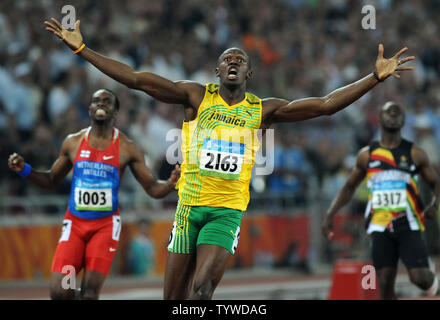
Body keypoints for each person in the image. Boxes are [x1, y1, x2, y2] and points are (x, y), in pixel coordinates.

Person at [44, 18, 414, 300]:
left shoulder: (263, 110)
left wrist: (373, 78)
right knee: (174, 300)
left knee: (202, 291)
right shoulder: (195, 97)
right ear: (218, 72)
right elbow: (137, 79)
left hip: (227, 212)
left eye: (240, 59)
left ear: (249, 73)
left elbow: (325, 105)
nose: (233, 61)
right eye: (226, 59)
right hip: (189, 208)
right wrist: (83, 50)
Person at [8, 89, 180, 300]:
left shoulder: (127, 148)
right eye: (96, 100)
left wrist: (171, 182)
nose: (101, 104)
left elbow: (152, 188)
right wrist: (25, 169)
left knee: (89, 293)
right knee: (61, 292)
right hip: (75, 226)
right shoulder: (73, 142)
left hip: (105, 228)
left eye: (107, 102)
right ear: (89, 109)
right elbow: (52, 180)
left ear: (116, 112)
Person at [322, 101, 440, 299]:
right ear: (379, 118)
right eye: (388, 112)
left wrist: (434, 205)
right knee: (384, 283)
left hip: (408, 223)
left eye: (397, 112)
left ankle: (433, 281)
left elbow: (435, 182)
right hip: (379, 225)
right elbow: (349, 187)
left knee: (420, 278)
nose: (393, 115)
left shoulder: (415, 153)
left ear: (403, 121)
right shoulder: (366, 155)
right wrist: (330, 213)